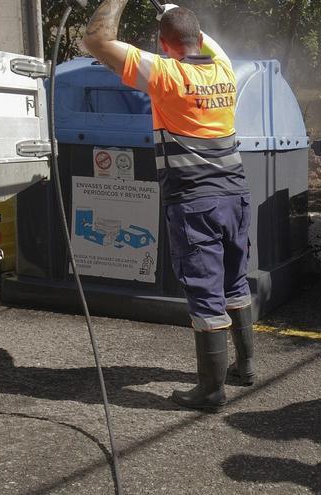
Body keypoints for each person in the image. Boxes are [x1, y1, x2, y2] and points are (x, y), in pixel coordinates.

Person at [82, 1, 256, 412]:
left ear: (163, 44)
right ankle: (246, 367)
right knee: (235, 282)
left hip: (195, 202)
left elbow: (96, 41)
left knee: (205, 293)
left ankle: (211, 392)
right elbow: (202, 40)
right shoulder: (225, 68)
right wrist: (173, 7)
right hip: (235, 196)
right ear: (198, 39)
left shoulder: (165, 73)